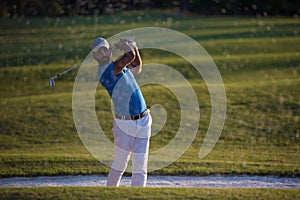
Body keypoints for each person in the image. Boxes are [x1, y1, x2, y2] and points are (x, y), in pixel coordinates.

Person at [91, 37, 152, 187]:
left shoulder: (119, 66)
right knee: (120, 165)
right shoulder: (105, 71)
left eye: (105, 49)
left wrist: (133, 47)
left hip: (143, 120)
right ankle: (110, 193)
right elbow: (129, 57)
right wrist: (127, 46)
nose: (103, 53)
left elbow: (136, 64)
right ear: (94, 57)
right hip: (124, 124)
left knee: (140, 167)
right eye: (99, 52)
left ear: (109, 50)